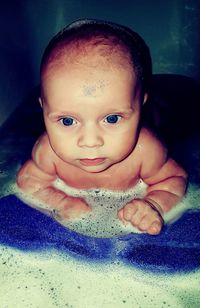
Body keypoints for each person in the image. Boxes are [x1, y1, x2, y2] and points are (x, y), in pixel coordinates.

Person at [16, 19, 187, 235]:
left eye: (112, 118)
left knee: (165, 117)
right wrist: (61, 202)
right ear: (43, 108)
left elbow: (174, 179)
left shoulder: (147, 151)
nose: (90, 141)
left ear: (140, 105)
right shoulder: (48, 152)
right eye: (67, 121)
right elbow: (29, 180)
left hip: (158, 117)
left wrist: (154, 204)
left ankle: (156, 109)